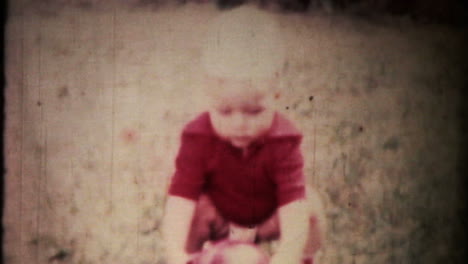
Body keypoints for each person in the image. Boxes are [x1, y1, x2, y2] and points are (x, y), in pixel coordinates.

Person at [162, 5, 325, 264]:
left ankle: (303, 260)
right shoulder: (198, 136)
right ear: (208, 96)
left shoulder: (284, 139)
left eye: (254, 111)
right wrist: (174, 253)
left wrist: (287, 254)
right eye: (225, 111)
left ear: (277, 95)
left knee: (310, 204)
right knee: (195, 210)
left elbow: (292, 206)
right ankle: (191, 260)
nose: (239, 123)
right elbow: (181, 199)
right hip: (220, 218)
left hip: (267, 218)